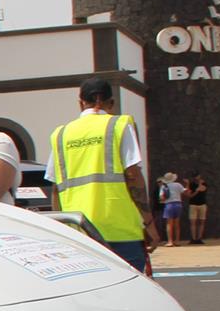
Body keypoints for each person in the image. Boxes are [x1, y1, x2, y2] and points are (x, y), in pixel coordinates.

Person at [46, 78, 157, 273]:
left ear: (80, 103)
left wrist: (63, 231)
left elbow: (56, 188)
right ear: (111, 103)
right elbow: (133, 176)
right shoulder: (119, 125)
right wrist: (149, 224)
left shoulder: (61, 135)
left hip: (80, 233)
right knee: (128, 286)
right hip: (120, 231)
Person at [158, 172, 186, 247]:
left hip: (169, 204)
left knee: (169, 224)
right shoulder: (178, 185)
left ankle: (170, 241)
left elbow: (161, 197)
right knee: (177, 223)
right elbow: (184, 191)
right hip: (178, 204)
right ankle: (177, 240)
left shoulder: (164, 186)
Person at [184, 172, 209, 244]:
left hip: (202, 204)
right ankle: (193, 238)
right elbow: (189, 195)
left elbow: (203, 189)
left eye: (197, 176)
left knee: (201, 221)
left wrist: (200, 185)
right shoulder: (191, 184)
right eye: (195, 177)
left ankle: (199, 238)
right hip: (193, 205)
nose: (196, 178)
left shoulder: (204, 184)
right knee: (193, 222)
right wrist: (189, 186)